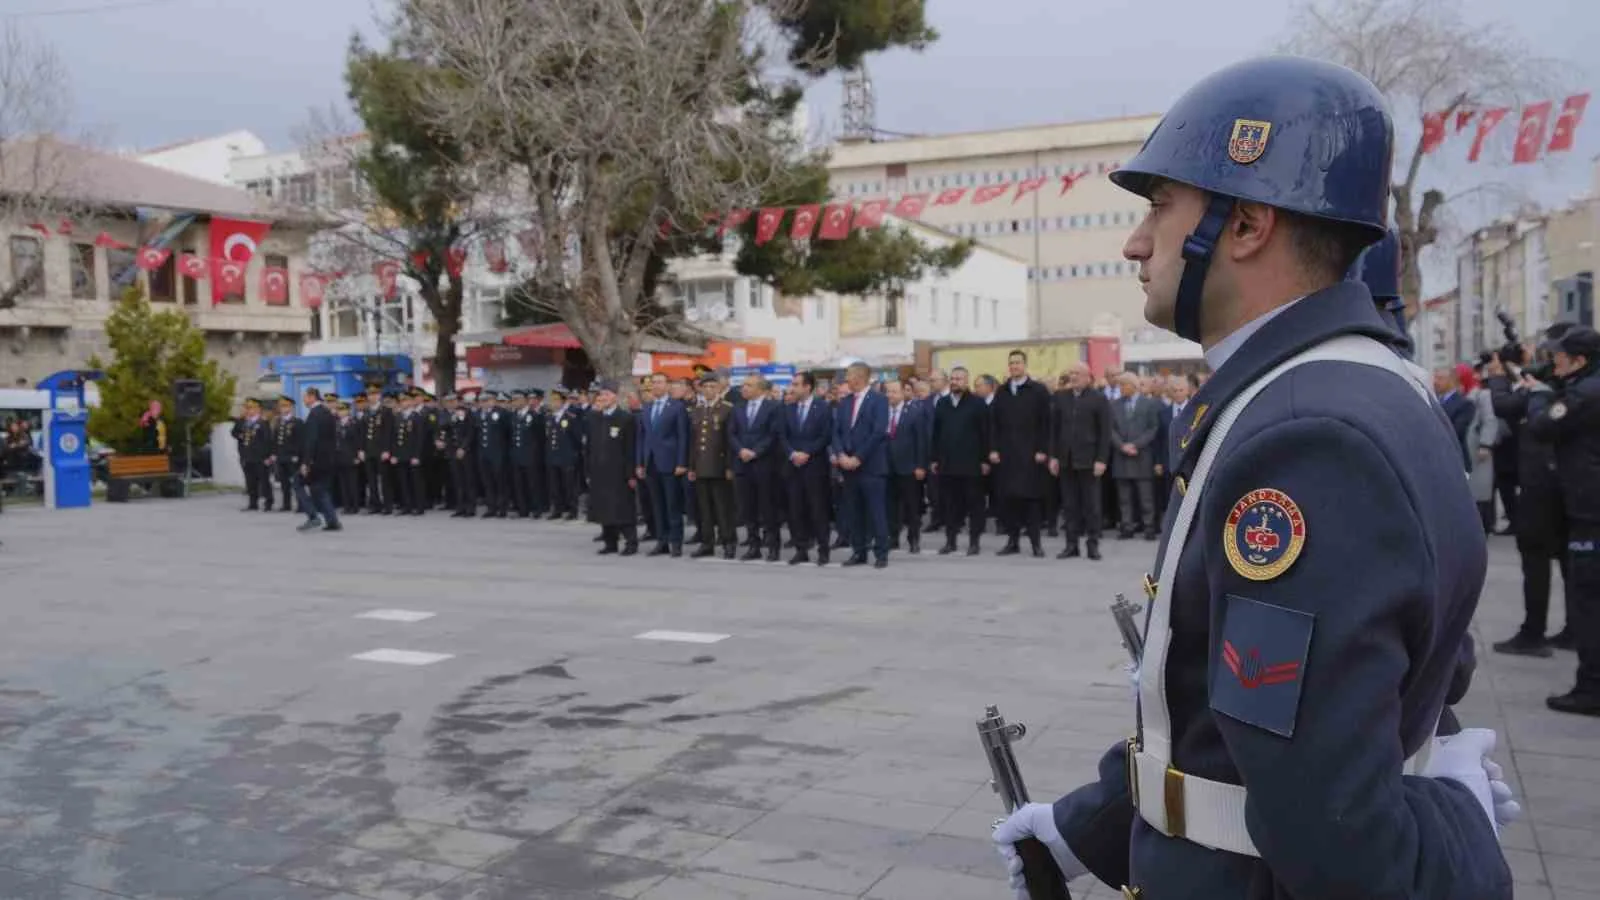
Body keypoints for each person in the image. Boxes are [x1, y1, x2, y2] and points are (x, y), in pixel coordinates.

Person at [991, 56, 1509, 899]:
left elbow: (1337, 832)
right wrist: (1085, 829)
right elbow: (1253, 715)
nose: (1135, 240)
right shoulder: (1332, 388)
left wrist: (1458, 826)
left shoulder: (1310, 434)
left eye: (1160, 206)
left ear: (1247, 225)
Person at [1524, 325, 1600, 716]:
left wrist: (1538, 395)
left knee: (1588, 600)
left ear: (1580, 360)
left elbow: (1542, 426)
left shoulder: (1585, 394)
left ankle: (1591, 688)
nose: (1553, 361)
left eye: (1560, 357)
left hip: (1591, 515)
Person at [831, 362, 890, 568]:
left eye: (848, 375)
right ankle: (859, 551)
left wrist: (858, 457)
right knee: (854, 512)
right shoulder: (845, 402)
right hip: (847, 467)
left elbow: (878, 432)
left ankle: (881, 552)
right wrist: (840, 454)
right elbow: (836, 431)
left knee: (876, 512)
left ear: (859, 376)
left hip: (871, 466)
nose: (846, 379)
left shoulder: (880, 401)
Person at [585, 381, 639, 555]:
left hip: (619, 472)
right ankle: (610, 542)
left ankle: (631, 542)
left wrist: (630, 473)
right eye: (601, 395)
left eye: (607, 395)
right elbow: (589, 446)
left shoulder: (625, 418)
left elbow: (630, 448)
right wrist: (588, 470)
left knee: (622, 508)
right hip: (599, 471)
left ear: (615, 396)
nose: (603, 398)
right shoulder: (594, 418)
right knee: (603, 508)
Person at [294, 387, 341, 532]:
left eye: (305, 397)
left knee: (297, 482)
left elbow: (312, 440)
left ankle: (313, 516)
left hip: (315, 460)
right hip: (328, 459)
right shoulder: (327, 413)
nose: (304, 400)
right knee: (319, 489)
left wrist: (306, 462)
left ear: (312, 396)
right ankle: (332, 521)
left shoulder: (315, 414)